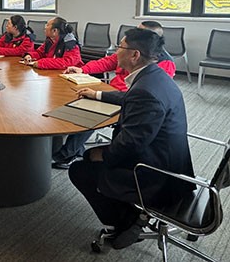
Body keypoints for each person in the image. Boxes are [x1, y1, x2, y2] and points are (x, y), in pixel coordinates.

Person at [68, 28, 194, 250]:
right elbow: (130, 97)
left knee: (80, 168)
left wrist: (102, 154)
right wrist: (97, 94)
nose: (115, 51)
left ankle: (126, 222)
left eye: (120, 47)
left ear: (135, 55)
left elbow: (131, 144)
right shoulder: (154, 77)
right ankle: (129, 214)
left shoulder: (146, 92)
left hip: (157, 176)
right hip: (171, 162)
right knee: (89, 157)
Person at [52, 21, 176, 168]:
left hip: (126, 100)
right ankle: (73, 147)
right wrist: (83, 70)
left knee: (90, 111)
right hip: (112, 91)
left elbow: (141, 98)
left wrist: (99, 94)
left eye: (139, 32)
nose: (133, 34)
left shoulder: (162, 66)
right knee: (76, 95)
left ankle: (67, 154)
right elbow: (108, 61)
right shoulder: (134, 55)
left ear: (150, 39)